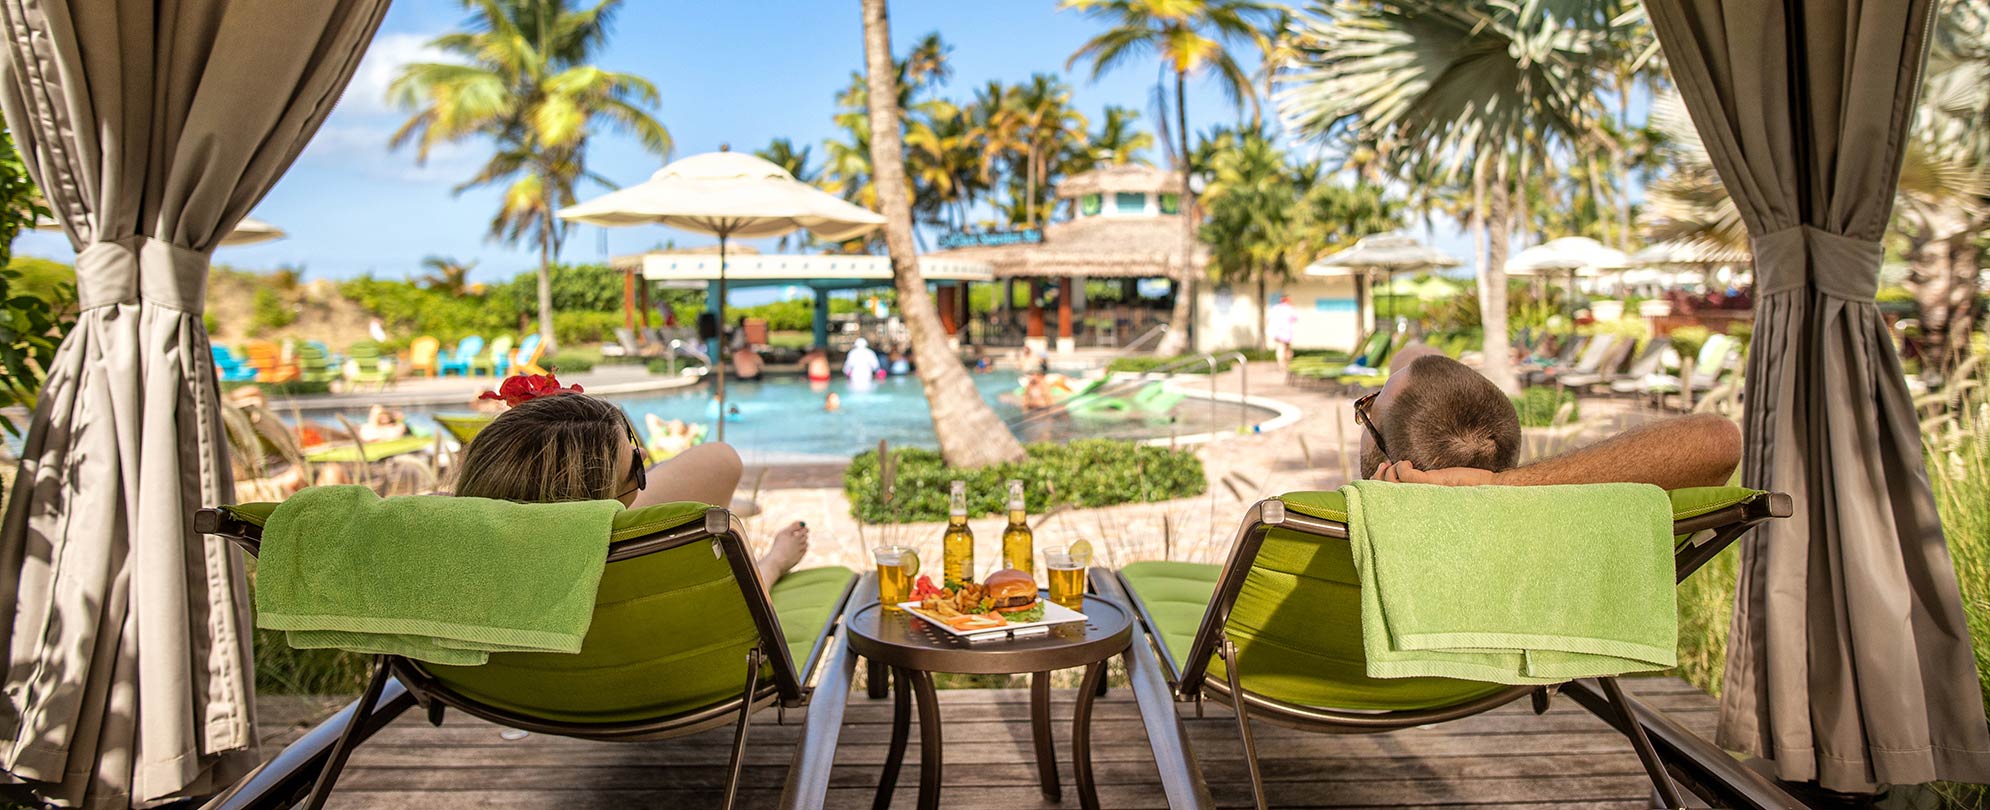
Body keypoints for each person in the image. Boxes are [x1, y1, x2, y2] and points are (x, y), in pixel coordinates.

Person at [456, 392, 808, 586]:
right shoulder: (631, 564)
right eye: (637, 469)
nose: (644, 455)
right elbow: (735, 612)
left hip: (507, 697)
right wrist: (776, 561)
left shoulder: (463, 549)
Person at [1356, 344, 1742, 490]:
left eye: (1367, 406)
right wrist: (1502, 485)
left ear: (1389, 464)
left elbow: (1413, 352)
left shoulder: (1325, 528)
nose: (1366, 405)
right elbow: (1718, 439)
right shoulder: (1558, 521)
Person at [1267, 294, 1299, 372]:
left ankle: (1282, 365)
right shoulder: (1290, 309)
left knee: (1280, 350)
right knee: (1286, 350)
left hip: (1278, 333)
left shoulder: (1275, 308)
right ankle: (1286, 364)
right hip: (1286, 333)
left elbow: (1269, 319)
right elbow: (1295, 318)